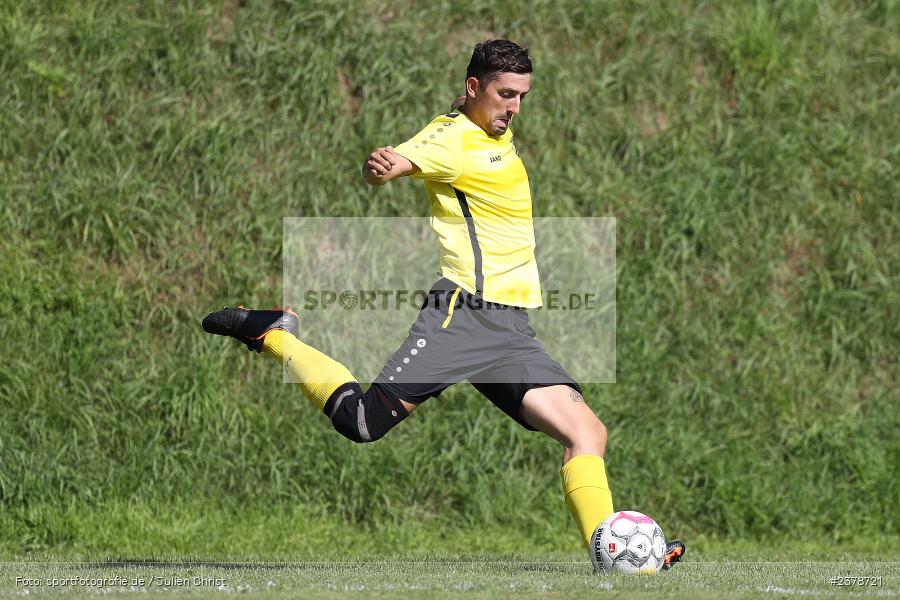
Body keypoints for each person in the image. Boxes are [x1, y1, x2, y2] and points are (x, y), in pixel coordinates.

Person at [202, 39, 684, 569]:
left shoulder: (490, 126)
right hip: (464, 315)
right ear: (473, 88)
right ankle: (273, 334)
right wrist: (381, 167)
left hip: (509, 328)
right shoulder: (450, 138)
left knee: (587, 432)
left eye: (522, 95)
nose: (515, 107)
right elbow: (399, 162)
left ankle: (608, 553)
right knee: (363, 423)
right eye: (505, 94)